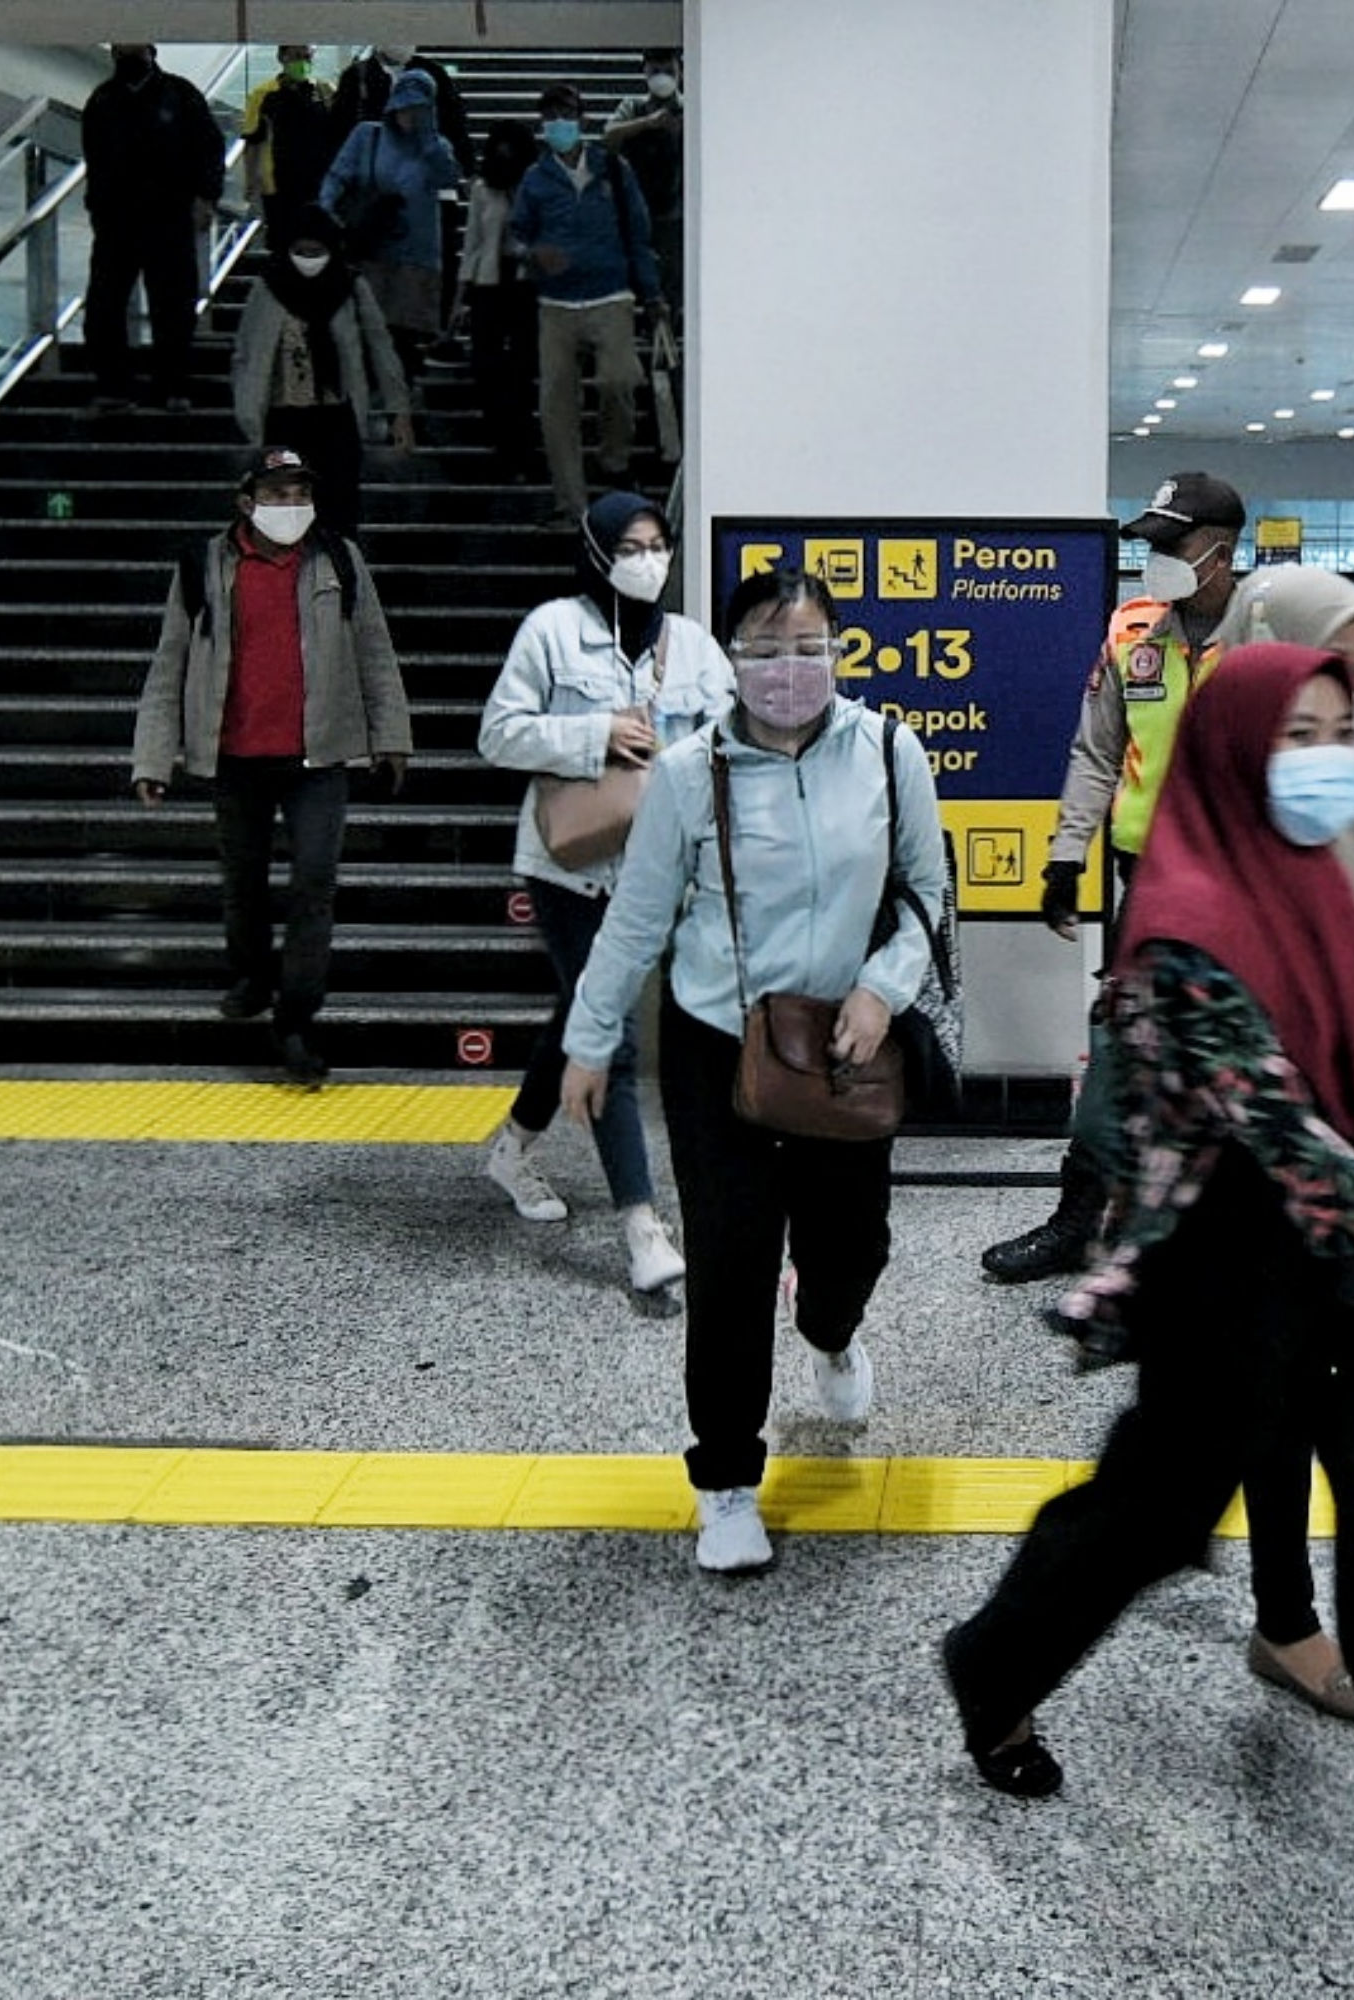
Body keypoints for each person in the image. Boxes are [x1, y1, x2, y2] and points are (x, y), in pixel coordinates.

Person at [938, 642, 1354, 1934]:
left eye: (1341, 732)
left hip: (1345, 1264)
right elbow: (1269, 1118)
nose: (1325, 760)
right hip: (1227, 1270)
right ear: (1234, 748)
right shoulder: (1183, 918)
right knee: (1151, 1517)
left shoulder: (1315, 877)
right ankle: (995, 1665)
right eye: (1297, 734)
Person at [558, 566, 945, 1574]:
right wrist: (589, 1040)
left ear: (839, 651)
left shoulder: (889, 750)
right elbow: (636, 919)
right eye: (766, 650)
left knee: (852, 1247)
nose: (788, 669)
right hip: (717, 1048)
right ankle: (726, 1479)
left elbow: (924, 894)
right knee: (730, 1264)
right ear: (732, 658)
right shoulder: (692, 772)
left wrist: (882, 989)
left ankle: (829, 1328)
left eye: (808, 647)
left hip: (846, 1044)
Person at [981, 472, 1247, 1286]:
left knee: (1234, 1065)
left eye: (1172, 544)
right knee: (1115, 1051)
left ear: (1220, 551)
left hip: (1245, 893)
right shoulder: (1133, 631)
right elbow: (1097, 753)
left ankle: (1228, 1241)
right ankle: (1078, 1220)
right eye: (1151, 544)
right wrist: (1067, 857)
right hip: (1149, 885)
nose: (1155, 560)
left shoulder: (1272, 636)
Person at [477, 495, 735, 1292]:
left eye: (659, 546)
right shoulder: (552, 630)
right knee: (611, 1030)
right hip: (568, 865)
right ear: (596, 553)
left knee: (579, 1010)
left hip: (654, 872)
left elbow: (730, 738)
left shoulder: (692, 646)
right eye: (631, 547)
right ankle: (641, 1226)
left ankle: (513, 1147)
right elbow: (498, 732)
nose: (648, 561)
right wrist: (595, 735)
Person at [129, 448, 412, 1086]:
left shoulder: (338, 559)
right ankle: (253, 973)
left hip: (319, 754)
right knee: (244, 882)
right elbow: (170, 662)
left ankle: (297, 1017)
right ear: (246, 502)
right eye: (277, 494)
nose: (291, 506)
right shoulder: (203, 564)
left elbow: (374, 649)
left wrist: (391, 736)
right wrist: (153, 756)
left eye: (299, 493)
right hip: (234, 755)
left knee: (314, 883)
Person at [510, 85, 666, 530]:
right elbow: (515, 235)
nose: (559, 123)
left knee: (620, 380)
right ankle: (571, 503)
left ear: (583, 119)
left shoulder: (613, 169)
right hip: (555, 304)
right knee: (556, 404)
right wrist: (533, 254)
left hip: (610, 295)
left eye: (566, 113)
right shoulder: (535, 179)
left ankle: (614, 460)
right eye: (551, 116)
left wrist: (652, 294)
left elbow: (638, 235)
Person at [229, 206, 412, 536]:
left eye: (317, 251)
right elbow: (246, 352)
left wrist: (398, 408)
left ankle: (337, 568)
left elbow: (381, 346)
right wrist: (248, 413)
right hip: (283, 418)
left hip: (336, 417)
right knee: (286, 519)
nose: (309, 259)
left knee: (338, 513)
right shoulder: (268, 288)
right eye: (301, 251)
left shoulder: (349, 286)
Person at [78, 43, 226, 415]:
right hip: (116, 221)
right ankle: (113, 386)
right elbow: (94, 158)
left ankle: (173, 385)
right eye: (121, 44)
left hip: (169, 216)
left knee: (173, 305)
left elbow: (210, 147)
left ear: (151, 49)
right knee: (103, 305)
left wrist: (207, 196)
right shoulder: (103, 100)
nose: (128, 50)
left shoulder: (180, 94)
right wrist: (97, 207)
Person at [317, 67, 462, 385]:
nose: (410, 114)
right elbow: (338, 176)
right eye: (406, 106)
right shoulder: (367, 136)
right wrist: (327, 216)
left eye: (419, 108)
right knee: (369, 328)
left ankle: (400, 396)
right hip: (372, 248)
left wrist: (428, 138)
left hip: (416, 258)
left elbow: (448, 178)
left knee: (404, 339)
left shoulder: (436, 147)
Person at [459, 122, 544, 485]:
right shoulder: (483, 189)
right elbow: (473, 242)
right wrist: (461, 295)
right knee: (486, 367)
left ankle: (523, 449)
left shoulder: (538, 186)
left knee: (523, 370)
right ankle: (503, 445)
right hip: (489, 283)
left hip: (527, 286)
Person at [603, 51, 689, 307]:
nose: (663, 78)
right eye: (655, 71)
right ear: (645, 73)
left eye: (669, 71)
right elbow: (609, 136)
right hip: (636, 209)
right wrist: (647, 123)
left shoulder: (691, 107)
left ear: (681, 72)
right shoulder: (632, 107)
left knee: (674, 283)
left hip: (675, 212)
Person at [330, 43, 472, 175]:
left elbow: (454, 122)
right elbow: (340, 130)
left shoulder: (432, 72)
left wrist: (468, 167)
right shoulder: (356, 76)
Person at [238, 46, 335, 222]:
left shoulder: (325, 91)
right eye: (296, 56)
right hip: (278, 181)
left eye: (307, 57)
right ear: (282, 57)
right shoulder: (263, 94)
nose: (303, 62)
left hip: (319, 179)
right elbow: (252, 140)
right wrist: (251, 182)